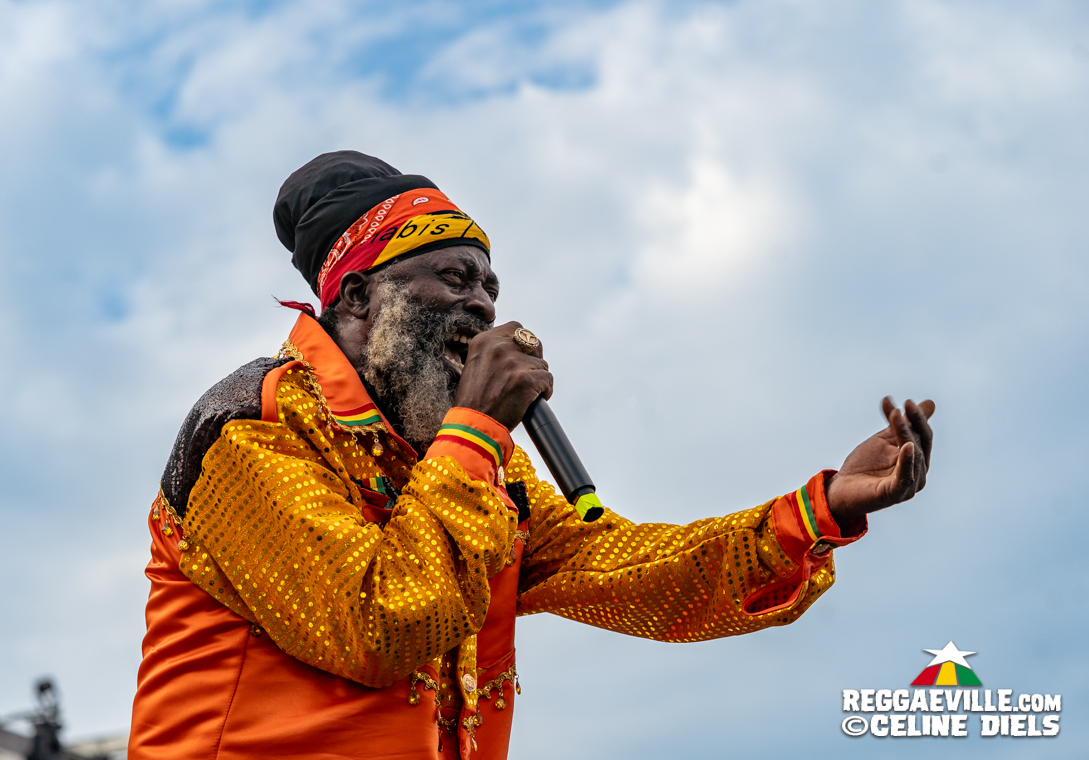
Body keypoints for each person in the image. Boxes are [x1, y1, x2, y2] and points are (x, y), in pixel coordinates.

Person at [127, 151, 934, 760]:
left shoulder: (477, 469)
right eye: (453, 276)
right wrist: (478, 426)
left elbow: (632, 573)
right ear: (360, 297)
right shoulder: (253, 426)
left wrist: (823, 507)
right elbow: (381, 625)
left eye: (490, 287)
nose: (482, 303)